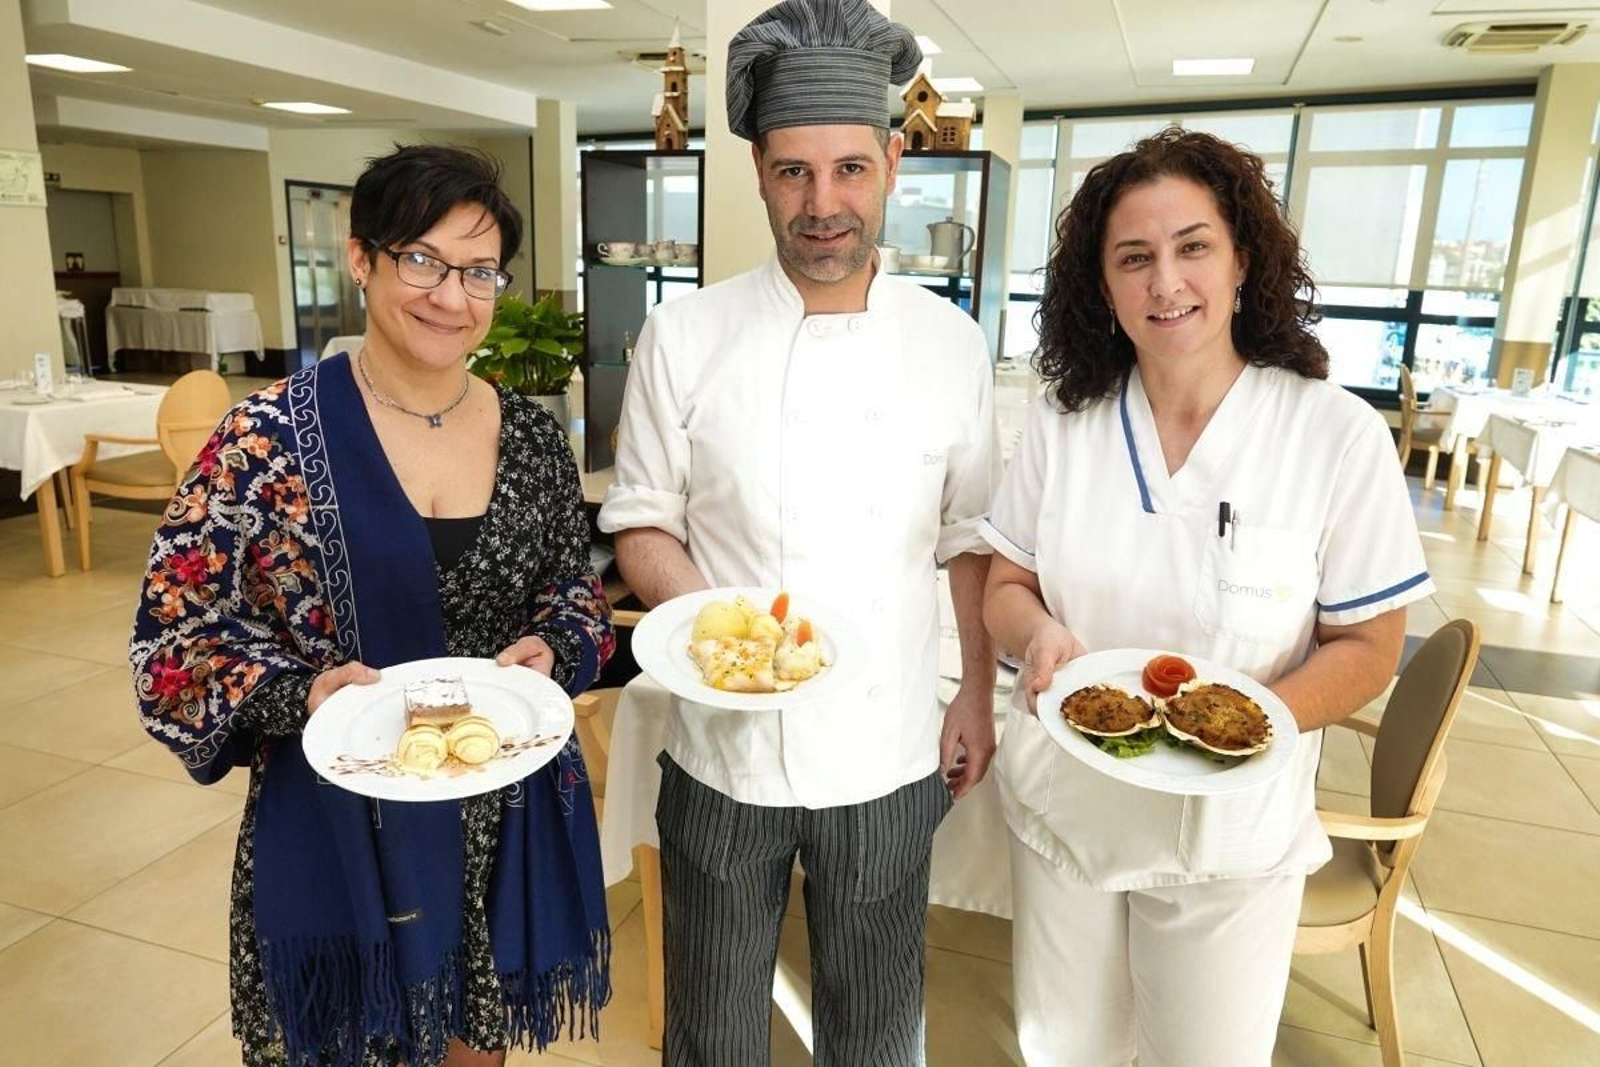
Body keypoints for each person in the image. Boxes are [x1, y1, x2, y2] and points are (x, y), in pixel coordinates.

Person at [130, 144, 613, 1067]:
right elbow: (173, 643)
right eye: (421, 260)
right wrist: (299, 692)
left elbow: (575, 598)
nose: (449, 296)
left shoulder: (534, 440)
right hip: (338, 821)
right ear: (362, 259)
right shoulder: (262, 440)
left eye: (478, 272)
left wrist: (556, 646)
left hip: (496, 807)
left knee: (478, 1048)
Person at [597, 0, 1000, 1061]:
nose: (822, 204)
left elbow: (968, 536)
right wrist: (722, 627)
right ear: (758, 173)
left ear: (892, 163)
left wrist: (972, 690)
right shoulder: (684, 335)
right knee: (715, 1029)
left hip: (887, 748)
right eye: (792, 172)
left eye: (848, 171)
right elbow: (640, 516)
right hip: (720, 746)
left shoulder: (950, 344)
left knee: (874, 1026)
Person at [980, 127, 1434, 1067]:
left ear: (1242, 261)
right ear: (1101, 287)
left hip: (1230, 839)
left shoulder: (1332, 435)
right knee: (1065, 1051)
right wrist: (1037, 632)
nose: (1165, 282)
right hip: (1069, 813)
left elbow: (1369, 644)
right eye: (1133, 258)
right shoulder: (1066, 427)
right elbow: (1006, 584)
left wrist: (1251, 723)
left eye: (1193, 247)